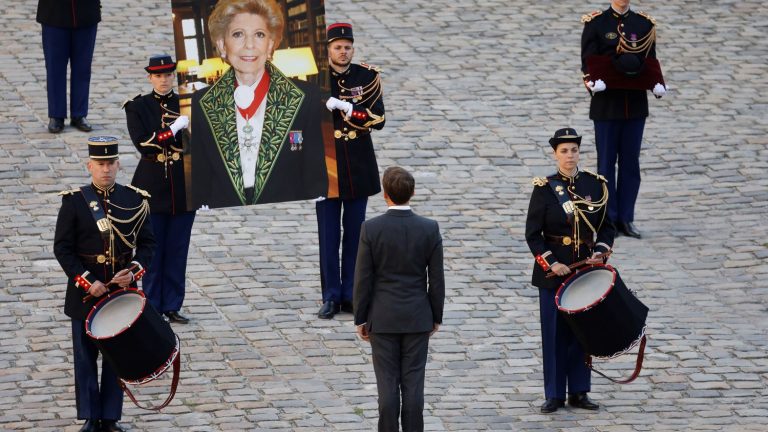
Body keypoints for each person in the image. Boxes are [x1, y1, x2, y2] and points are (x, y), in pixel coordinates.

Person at [53, 136, 155, 432]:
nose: (106, 170)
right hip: (85, 295)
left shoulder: (134, 199)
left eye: (110, 163)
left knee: (116, 358)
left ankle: (110, 417)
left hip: (120, 294)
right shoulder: (74, 202)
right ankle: (89, 416)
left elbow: (148, 245)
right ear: (90, 165)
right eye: (100, 164)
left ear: (118, 164)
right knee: (85, 359)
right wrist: (88, 282)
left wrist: (134, 271)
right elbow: (63, 249)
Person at [188, 0, 327, 209]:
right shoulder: (202, 102)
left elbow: (315, 179)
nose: (249, 45)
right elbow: (200, 182)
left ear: (270, 44)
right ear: (221, 44)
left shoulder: (305, 97)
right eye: (238, 34)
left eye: (259, 34)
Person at [525, 128, 616, 413]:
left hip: (583, 272)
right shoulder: (544, 189)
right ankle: (554, 394)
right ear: (555, 154)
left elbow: (606, 226)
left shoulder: (595, 185)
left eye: (573, 150)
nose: (569, 156)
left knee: (581, 333)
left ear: (579, 153)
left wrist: (599, 252)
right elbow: (533, 234)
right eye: (564, 151)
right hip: (554, 275)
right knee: (554, 335)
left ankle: (579, 390)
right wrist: (553, 262)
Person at [353, 166, 444, 432]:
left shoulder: (371, 229)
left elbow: (363, 278)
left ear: (385, 194)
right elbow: (436, 280)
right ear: (412, 193)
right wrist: (435, 316)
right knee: (414, 386)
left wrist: (361, 317)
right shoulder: (429, 228)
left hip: (382, 318)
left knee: (387, 387)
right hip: (417, 317)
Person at [317, 22, 386, 319]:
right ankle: (331, 295)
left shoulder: (366, 76)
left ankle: (352, 295)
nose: (343, 52)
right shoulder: (315, 79)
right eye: (337, 47)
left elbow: (378, 118)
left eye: (347, 47)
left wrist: (347, 109)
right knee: (328, 235)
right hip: (326, 165)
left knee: (356, 235)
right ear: (328, 49)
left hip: (358, 164)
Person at [580, 0, 665, 238]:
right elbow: (587, 61)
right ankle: (608, 219)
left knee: (631, 165)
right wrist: (592, 83)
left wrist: (657, 83)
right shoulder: (596, 23)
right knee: (606, 165)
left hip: (634, 105)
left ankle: (626, 218)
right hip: (606, 105)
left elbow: (650, 60)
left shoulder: (643, 24)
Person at [123, 54, 195, 324]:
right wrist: (174, 128)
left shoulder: (186, 104)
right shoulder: (137, 107)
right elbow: (144, 144)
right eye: (158, 75)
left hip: (183, 186)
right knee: (151, 249)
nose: (164, 80)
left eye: (168, 75)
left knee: (178, 249)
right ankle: (152, 306)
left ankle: (173, 304)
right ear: (150, 77)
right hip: (151, 186)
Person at [37, 0, 100, 133]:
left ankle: (79, 114)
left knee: (82, 67)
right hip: (54, 12)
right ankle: (56, 115)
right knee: (55, 68)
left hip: (86, 12)